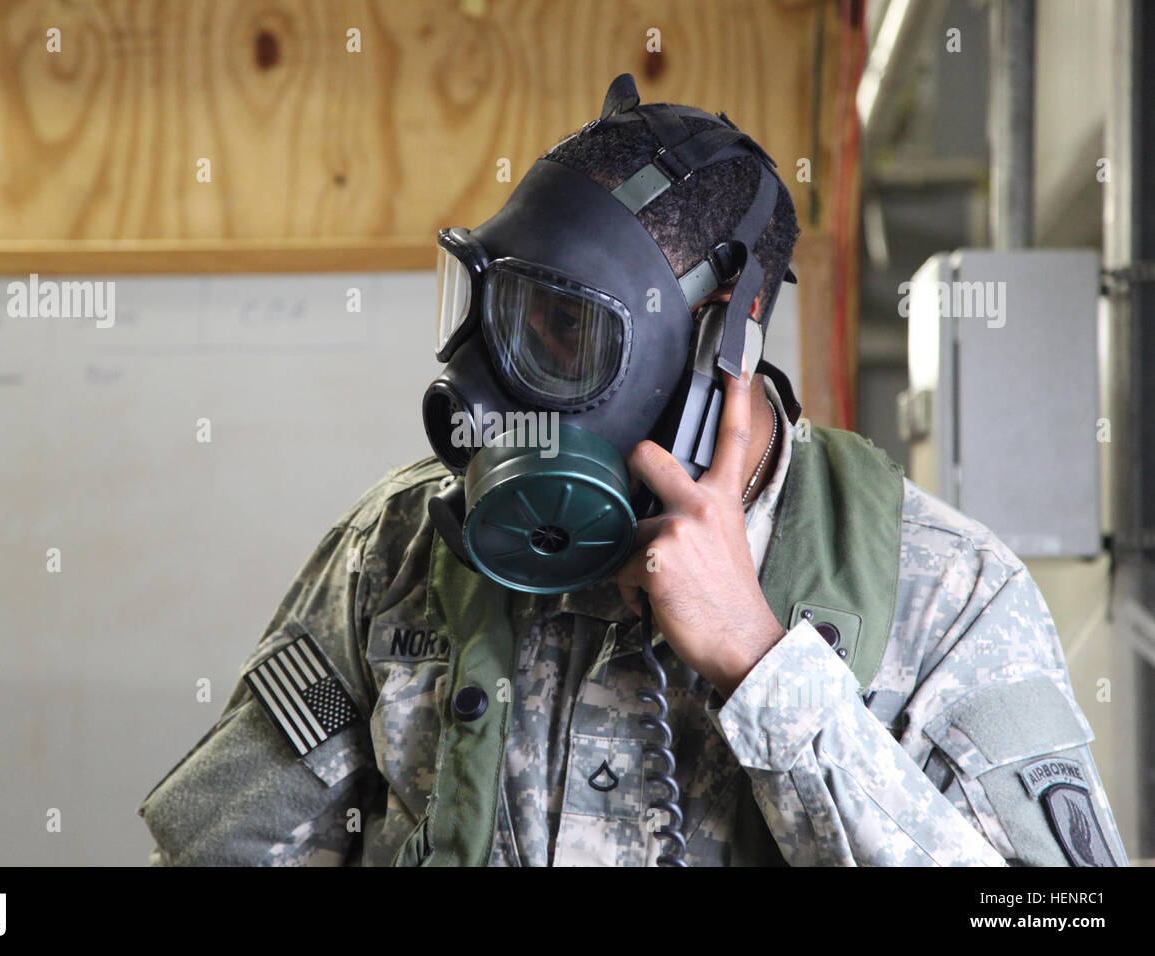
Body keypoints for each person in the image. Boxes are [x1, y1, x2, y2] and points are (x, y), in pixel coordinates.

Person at [138, 76, 1127, 867]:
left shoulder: (946, 593)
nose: (483, 394)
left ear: (713, 363)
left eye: (558, 335)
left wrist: (760, 663)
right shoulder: (396, 550)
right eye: (487, 313)